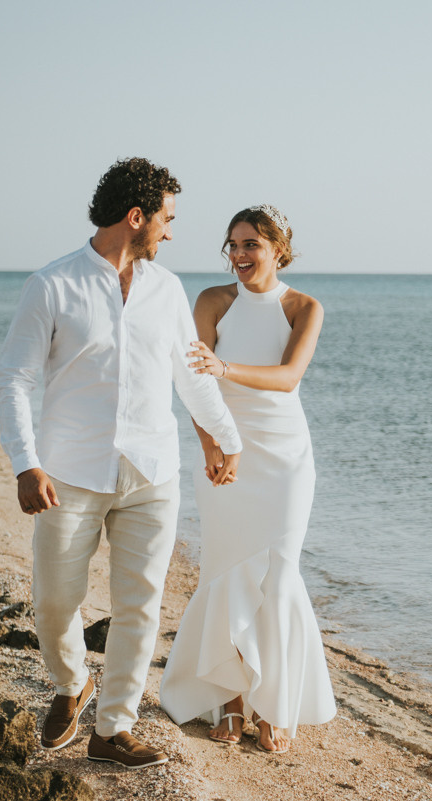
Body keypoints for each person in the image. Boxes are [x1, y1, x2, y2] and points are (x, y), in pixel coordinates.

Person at [0, 158, 243, 769]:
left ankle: (114, 728)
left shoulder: (168, 289)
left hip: (151, 473)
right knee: (55, 602)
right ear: (136, 218)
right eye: (167, 219)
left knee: (140, 604)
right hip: (67, 474)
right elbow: (14, 378)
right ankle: (72, 683)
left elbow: (192, 373)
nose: (171, 232)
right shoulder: (51, 285)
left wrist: (225, 435)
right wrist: (26, 463)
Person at [159, 204, 336, 753]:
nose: (239, 255)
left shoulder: (305, 307)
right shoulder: (212, 301)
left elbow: (287, 378)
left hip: (285, 458)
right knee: (226, 571)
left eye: (251, 244)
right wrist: (212, 444)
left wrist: (226, 368)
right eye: (232, 245)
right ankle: (231, 702)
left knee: (279, 577)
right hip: (224, 452)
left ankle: (274, 707)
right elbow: (191, 382)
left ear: (278, 248)